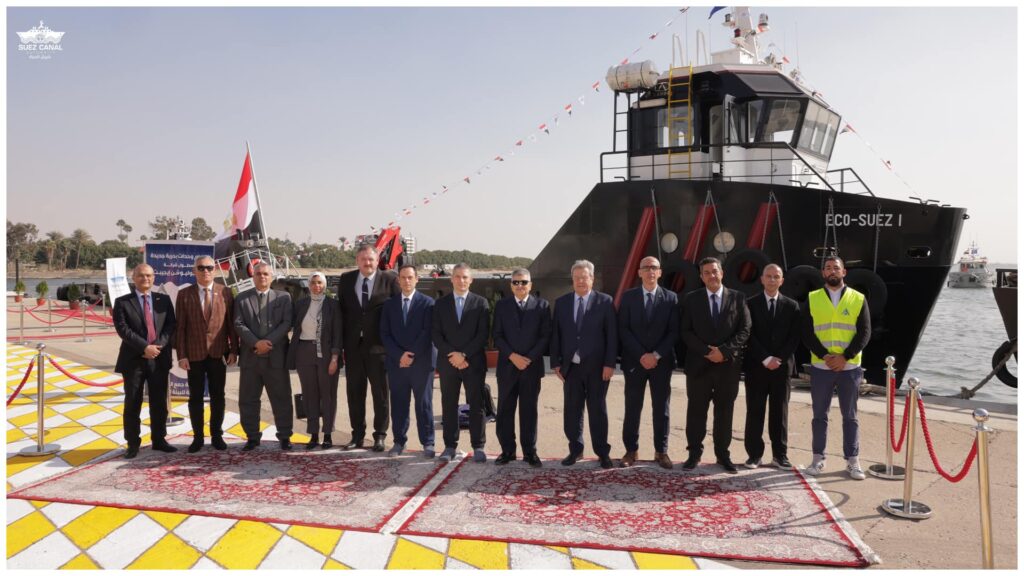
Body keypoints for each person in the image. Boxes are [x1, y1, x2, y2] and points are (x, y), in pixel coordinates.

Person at [679, 256, 751, 474]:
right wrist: (707, 352)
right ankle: (694, 453)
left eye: (715, 271)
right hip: (698, 366)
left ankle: (723, 454)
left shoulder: (738, 297)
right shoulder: (691, 299)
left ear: (722, 273)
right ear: (701, 277)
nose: (712, 275)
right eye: (707, 272)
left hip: (727, 366)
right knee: (696, 412)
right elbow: (685, 331)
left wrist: (724, 352)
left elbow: (745, 329)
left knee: (724, 412)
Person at [801, 256, 871, 480]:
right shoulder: (812, 298)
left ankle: (853, 460)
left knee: (850, 416)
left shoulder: (858, 298)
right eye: (828, 268)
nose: (832, 271)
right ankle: (817, 459)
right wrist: (824, 355)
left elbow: (865, 332)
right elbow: (806, 332)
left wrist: (845, 357)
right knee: (819, 415)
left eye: (836, 268)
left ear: (844, 272)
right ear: (823, 273)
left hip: (849, 366)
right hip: (821, 365)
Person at [550, 260, 617, 469]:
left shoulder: (605, 301)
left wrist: (610, 364)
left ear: (592, 278)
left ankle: (602, 453)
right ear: (572, 280)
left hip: (598, 368)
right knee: (572, 410)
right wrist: (555, 363)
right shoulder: (562, 303)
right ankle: (575, 450)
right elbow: (556, 335)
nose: (580, 281)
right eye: (576, 277)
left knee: (598, 411)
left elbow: (612, 336)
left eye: (584, 277)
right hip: (571, 368)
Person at [617, 256, 679, 469]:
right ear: (639, 272)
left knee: (661, 408)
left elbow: (674, 331)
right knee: (632, 407)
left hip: (662, 363)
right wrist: (642, 355)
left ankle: (661, 451)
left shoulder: (671, 298)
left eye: (654, 268)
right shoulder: (628, 297)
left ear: (660, 272)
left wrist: (656, 355)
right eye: (646, 268)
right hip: (635, 362)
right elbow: (623, 329)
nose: (650, 271)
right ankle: (630, 450)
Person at [337, 244, 399, 451]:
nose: (367, 263)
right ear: (357, 260)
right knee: (355, 393)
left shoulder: (390, 280)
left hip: (379, 348)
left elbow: (398, 312)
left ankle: (380, 435)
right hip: (353, 347)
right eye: (363, 259)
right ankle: (357, 435)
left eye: (371, 259)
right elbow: (342, 312)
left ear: (377, 260)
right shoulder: (346, 279)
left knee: (380, 394)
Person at [174, 255, 237, 454]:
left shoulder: (225, 292)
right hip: (194, 355)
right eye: (201, 268)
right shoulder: (184, 294)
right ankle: (198, 437)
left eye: (209, 267)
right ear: (194, 271)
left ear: (215, 270)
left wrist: (234, 350)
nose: (206, 271)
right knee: (195, 398)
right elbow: (180, 328)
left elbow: (231, 324)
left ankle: (217, 435)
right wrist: (181, 355)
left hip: (218, 354)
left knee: (218, 397)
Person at [113, 263, 177, 459]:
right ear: (134, 278)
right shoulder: (122, 302)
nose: (145, 279)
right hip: (134, 360)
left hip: (158, 358)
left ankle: (159, 439)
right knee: (133, 403)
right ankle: (133, 443)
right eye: (141, 275)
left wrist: (157, 346)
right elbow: (123, 329)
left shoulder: (163, 300)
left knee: (159, 403)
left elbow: (170, 325)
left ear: (154, 278)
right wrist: (144, 347)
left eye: (149, 275)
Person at [743, 264, 801, 470]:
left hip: (781, 368)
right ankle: (754, 455)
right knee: (755, 411)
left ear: (782, 281)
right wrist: (765, 358)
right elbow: (748, 334)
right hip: (757, 367)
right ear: (761, 279)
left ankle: (780, 455)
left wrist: (779, 358)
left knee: (780, 412)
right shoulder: (750, 304)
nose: (772, 280)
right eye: (768, 276)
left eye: (776, 276)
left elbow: (794, 337)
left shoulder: (792, 306)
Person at [492, 268, 551, 467]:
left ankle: (529, 452)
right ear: (511, 285)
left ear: (530, 285)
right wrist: (513, 356)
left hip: (531, 368)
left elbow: (545, 336)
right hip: (507, 367)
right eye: (516, 282)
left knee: (529, 411)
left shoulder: (542, 306)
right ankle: (507, 451)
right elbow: (497, 336)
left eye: (523, 282)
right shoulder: (502, 306)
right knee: (505, 411)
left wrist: (528, 358)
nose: (520, 285)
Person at [432, 263, 491, 463]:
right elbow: (436, 335)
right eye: (457, 276)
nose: (461, 280)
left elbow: (483, 334)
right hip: (448, 363)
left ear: (471, 280)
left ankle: (478, 446)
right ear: (451, 279)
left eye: (465, 277)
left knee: (477, 405)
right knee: (449, 404)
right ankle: (450, 446)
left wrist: (464, 355)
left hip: (473, 363)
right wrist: (454, 356)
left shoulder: (481, 303)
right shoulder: (440, 304)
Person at [234, 262, 294, 451]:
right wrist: (256, 343)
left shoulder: (284, 297)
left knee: (282, 399)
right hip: (251, 357)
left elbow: (287, 323)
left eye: (266, 274)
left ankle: (285, 436)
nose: (262, 277)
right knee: (248, 400)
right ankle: (252, 437)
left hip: (276, 358)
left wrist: (267, 343)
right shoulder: (242, 298)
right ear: (253, 276)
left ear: (272, 277)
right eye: (259, 273)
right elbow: (238, 324)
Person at [380, 264, 437, 458]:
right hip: (397, 364)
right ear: (398, 280)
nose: (406, 281)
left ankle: (428, 442)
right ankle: (399, 442)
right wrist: (399, 355)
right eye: (403, 277)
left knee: (424, 404)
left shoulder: (428, 303)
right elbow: (385, 333)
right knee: (399, 404)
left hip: (422, 363)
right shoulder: (389, 305)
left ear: (417, 279)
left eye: (410, 277)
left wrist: (410, 355)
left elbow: (427, 332)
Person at [287, 271, 342, 450]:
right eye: (313, 282)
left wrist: (335, 357)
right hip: (304, 351)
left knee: (328, 394)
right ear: (308, 285)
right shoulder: (300, 304)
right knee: (310, 394)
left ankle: (327, 434)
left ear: (325, 285)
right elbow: (292, 326)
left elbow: (337, 333)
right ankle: (313, 434)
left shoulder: (333, 305)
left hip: (326, 353)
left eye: (319, 283)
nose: (316, 286)